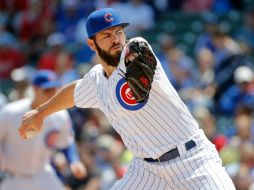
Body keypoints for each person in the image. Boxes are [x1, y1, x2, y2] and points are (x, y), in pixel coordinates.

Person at [19, 8, 236, 189]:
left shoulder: (136, 51)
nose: (116, 39)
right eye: (107, 35)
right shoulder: (96, 80)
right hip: (147, 170)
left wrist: (136, 63)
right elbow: (74, 91)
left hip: (192, 159)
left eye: (119, 32)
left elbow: (138, 51)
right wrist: (41, 112)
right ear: (92, 45)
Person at [0, 70, 87, 190]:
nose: (52, 94)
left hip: (42, 174)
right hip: (14, 178)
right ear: (35, 89)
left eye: (55, 89)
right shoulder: (11, 112)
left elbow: (66, 142)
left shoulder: (60, 115)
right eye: (47, 90)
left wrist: (74, 160)